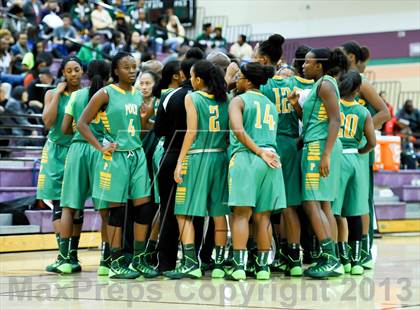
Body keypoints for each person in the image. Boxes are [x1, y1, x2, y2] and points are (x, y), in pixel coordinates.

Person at [77, 52, 157, 279]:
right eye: (126, 67)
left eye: (134, 67)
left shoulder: (137, 94)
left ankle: (139, 258)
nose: (132, 71)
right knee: (117, 210)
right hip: (116, 157)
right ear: (115, 71)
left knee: (144, 206)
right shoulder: (105, 93)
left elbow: (138, 130)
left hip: (137, 154)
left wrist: (145, 118)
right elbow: (82, 124)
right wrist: (100, 147)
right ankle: (115, 260)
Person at [164, 60, 229, 279]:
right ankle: (219, 264)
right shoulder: (226, 99)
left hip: (198, 157)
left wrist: (180, 160)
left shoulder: (193, 97)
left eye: (191, 76)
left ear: (198, 79)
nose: (190, 80)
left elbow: (191, 132)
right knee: (219, 215)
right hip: (220, 157)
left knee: (183, 213)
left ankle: (191, 263)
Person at [288, 47, 348, 278]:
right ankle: (330, 256)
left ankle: (330, 258)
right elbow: (314, 119)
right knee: (324, 206)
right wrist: (295, 105)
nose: (303, 65)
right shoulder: (321, 84)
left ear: (320, 65)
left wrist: (325, 154)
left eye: (308, 62)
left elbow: (335, 120)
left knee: (311, 202)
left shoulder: (325, 84)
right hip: (319, 143)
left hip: (319, 147)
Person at [48, 60, 111, 275]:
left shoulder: (76, 96)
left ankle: (66, 259)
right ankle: (106, 261)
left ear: (86, 74)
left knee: (69, 207)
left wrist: (78, 129)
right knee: (105, 209)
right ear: (109, 75)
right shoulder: (111, 94)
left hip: (77, 151)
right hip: (102, 150)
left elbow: (64, 128)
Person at [259, 38, 314, 277]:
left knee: (263, 207)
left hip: (269, 145)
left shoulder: (261, 85)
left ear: (262, 60)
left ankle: (260, 257)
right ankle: (293, 257)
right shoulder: (295, 82)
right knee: (291, 205)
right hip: (293, 144)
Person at [228, 62, 286, 281]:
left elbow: (238, 130)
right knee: (263, 218)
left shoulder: (238, 100)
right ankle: (263, 268)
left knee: (242, 215)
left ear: (249, 81)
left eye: (240, 77)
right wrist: (264, 152)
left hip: (248, 156)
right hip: (272, 160)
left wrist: (259, 152)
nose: (236, 81)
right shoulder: (271, 104)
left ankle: (239, 267)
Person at [341, 41, 390, 270]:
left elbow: (385, 112)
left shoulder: (362, 83)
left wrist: (364, 129)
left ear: (350, 56)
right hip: (342, 150)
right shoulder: (338, 82)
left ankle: (365, 249)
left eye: (340, 54)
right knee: (344, 204)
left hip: (359, 149)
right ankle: (347, 249)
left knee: (362, 202)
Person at [154, 56, 202, 273]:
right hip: (200, 157)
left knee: (168, 211)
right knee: (197, 213)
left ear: (182, 74)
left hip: (172, 154)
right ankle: (199, 260)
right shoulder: (208, 97)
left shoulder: (170, 96)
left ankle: (166, 263)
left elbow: (159, 131)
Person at [38, 56, 84, 273]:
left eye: (77, 69)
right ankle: (63, 255)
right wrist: (57, 92)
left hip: (77, 150)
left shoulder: (86, 94)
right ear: (63, 74)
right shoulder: (51, 93)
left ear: (82, 71)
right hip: (56, 150)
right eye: (69, 71)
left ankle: (72, 256)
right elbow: (47, 122)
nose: (73, 74)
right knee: (58, 203)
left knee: (76, 205)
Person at [332, 70, 376, 276]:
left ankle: (341, 258)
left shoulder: (333, 106)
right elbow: (372, 142)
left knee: (335, 210)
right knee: (356, 212)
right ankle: (357, 260)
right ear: (358, 90)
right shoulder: (363, 111)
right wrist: (361, 151)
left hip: (337, 157)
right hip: (356, 159)